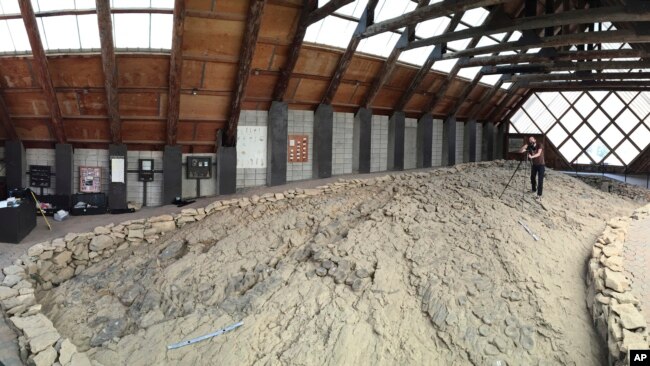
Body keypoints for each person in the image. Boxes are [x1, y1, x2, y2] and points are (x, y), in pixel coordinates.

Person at [519, 136, 545, 200]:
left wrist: (532, 157)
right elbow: (520, 151)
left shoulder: (539, 145)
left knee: (540, 180)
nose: (531, 141)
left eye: (532, 139)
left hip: (541, 165)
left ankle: (539, 195)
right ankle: (533, 189)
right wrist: (524, 147)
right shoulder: (529, 146)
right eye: (529, 140)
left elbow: (539, 154)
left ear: (535, 140)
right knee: (532, 177)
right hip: (534, 165)